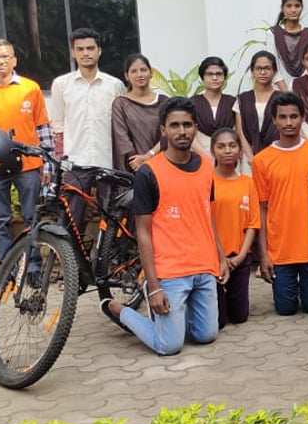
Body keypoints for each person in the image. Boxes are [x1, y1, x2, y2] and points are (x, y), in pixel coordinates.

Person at [100, 97, 225, 355]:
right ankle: (119, 310)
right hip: (170, 272)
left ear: (195, 128)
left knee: (206, 335)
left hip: (204, 268)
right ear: (163, 130)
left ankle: (178, 315)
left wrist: (221, 257)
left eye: (187, 125)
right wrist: (155, 285)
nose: (182, 131)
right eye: (175, 125)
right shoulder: (149, 173)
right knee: (168, 346)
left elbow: (208, 216)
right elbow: (143, 233)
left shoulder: (206, 167)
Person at [0, 39, 51, 263]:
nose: (0, 61)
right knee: (1, 217)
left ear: (13, 60)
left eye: (5, 57)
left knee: (31, 216)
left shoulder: (30, 88)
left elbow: (42, 126)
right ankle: (6, 267)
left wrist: (47, 162)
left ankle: (33, 265)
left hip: (28, 164)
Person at [48, 27, 127, 234]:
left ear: (99, 51)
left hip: (108, 161)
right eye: (80, 49)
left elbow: (121, 126)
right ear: (73, 53)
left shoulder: (115, 85)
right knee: (72, 217)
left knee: (111, 215)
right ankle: (73, 261)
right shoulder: (61, 84)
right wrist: (61, 162)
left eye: (90, 48)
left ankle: (110, 259)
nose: (86, 53)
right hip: (76, 161)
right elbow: (58, 125)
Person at [254, 93, 308, 316]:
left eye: (294, 116)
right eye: (282, 117)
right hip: (280, 250)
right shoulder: (262, 160)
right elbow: (262, 210)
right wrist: (264, 255)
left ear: (302, 117)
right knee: (286, 310)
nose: (288, 123)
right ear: (274, 120)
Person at [209, 127, 258, 327]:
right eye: (221, 146)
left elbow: (253, 225)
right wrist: (221, 259)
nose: (227, 151)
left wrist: (240, 257)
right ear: (212, 152)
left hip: (240, 258)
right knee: (218, 322)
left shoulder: (248, 183)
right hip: (213, 260)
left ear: (240, 151)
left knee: (239, 317)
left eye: (232, 145)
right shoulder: (206, 182)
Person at [111, 53, 169, 172]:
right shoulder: (121, 104)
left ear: (151, 73)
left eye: (143, 70)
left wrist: (150, 155)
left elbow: (169, 133)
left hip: (164, 164)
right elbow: (122, 140)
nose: (139, 75)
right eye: (134, 71)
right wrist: (138, 161)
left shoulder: (164, 101)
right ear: (126, 76)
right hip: (135, 167)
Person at [268, 0, 308, 86]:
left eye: (297, 6)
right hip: (280, 91)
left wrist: (302, 91)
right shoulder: (273, 34)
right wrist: (286, 94)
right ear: (282, 8)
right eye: (289, 6)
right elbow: (273, 66)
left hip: (307, 89)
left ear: (302, 8)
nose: (293, 10)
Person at [189, 56, 238, 157]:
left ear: (224, 77)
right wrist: (206, 155)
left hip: (229, 154)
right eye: (209, 74)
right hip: (199, 152)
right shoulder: (193, 103)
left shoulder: (233, 102)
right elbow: (190, 134)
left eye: (219, 74)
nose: (214, 78)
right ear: (202, 78)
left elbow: (238, 131)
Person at [237, 51, 283, 157]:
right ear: (252, 71)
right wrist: (250, 157)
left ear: (274, 71)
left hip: (277, 155)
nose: (263, 72)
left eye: (267, 68)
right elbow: (241, 132)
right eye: (258, 68)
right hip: (248, 157)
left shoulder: (282, 99)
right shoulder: (242, 99)